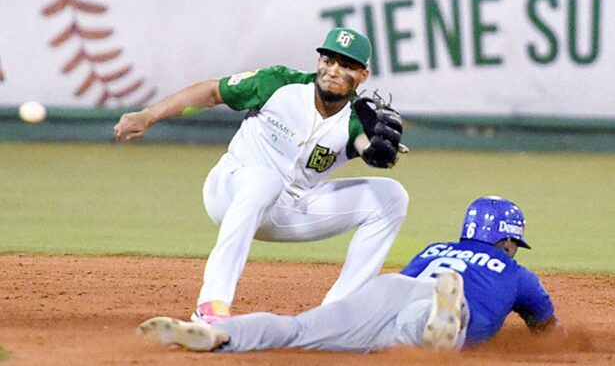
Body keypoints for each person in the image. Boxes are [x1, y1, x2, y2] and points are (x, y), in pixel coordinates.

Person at [114, 28, 409, 323]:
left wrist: (377, 152)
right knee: (265, 181)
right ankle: (211, 305)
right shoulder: (278, 83)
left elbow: (366, 147)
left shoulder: (358, 117)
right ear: (319, 61)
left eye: (345, 65)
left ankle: (337, 314)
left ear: (363, 75)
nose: (334, 70)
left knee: (391, 196)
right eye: (329, 60)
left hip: (290, 211)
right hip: (230, 190)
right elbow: (213, 92)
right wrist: (149, 115)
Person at [136, 196, 565, 353]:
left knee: (298, 329)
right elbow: (547, 330)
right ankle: (441, 324)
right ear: (507, 240)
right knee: (421, 330)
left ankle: (220, 335)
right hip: (434, 304)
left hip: (394, 287)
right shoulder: (516, 272)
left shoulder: (436, 248)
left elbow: (403, 284)